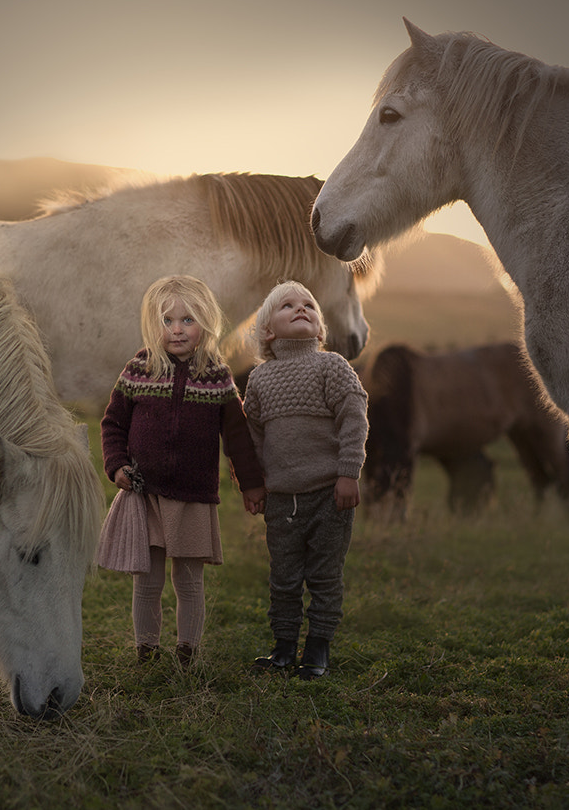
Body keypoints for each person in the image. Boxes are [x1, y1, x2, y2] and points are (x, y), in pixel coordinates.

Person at [101, 275, 265, 667]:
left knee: (189, 582)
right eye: (167, 321)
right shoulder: (138, 370)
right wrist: (117, 465)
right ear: (152, 325)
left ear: (206, 323)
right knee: (148, 580)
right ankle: (147, 651)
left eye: (188, 320)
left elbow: (237, 435)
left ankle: (187, 651)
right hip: (146, 494)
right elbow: (113, 424)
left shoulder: (216, 376)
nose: (177, 329)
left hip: (193, 497)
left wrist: (252, 484)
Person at [243, 281, 368, 680]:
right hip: (281, 501)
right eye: (287, 306)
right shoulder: (260, 380)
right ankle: (282, 648)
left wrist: (348, 474)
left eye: (309, 305)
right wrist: (256, 482)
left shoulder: (332, 366)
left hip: (328, 496)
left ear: (320, 328)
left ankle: (317, 650)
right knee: (283, 578)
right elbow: (254, 438)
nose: (302, 309)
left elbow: (354, 420)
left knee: (324, 576)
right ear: (267, 331)